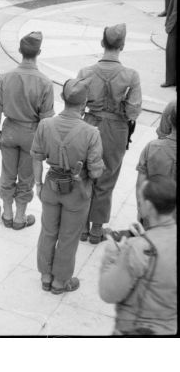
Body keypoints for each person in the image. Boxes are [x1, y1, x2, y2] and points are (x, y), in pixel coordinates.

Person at [31, 78, 104, 294]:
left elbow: (36, 157)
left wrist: (38, 184)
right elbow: (96, 171)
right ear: (84, 104)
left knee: (48, 231)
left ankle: (45, 276)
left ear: (62, 98)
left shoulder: (45, 125)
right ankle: (60, 282)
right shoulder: (91, 133)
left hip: (51, 185)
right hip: (77, 191)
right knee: (69, 236)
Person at [77, 23, 142, 243]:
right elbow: (134, 111)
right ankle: (96, 230)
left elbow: (76, 105)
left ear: (102, 43)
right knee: (107, 178)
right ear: (122, 45)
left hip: (89, 125)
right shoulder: (131, 75)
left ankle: (82, 228)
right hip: (116, 130)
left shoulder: (86, 72)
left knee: (85, 175)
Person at [99, 177, 177, 335]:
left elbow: (108, 292)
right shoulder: (150, 241)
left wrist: (111, 254)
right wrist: (146, 235)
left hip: (138, 329)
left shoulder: (139, 248)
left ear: (149, 205)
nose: (139, 202)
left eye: (140, 199)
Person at [0, 31, 54, 230]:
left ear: (20, 51)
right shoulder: (45, 82)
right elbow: (46, 119)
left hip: (9, 129)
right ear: (39, 52)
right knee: (26, 176)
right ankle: (20, 217)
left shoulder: (5, 77)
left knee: (7, 173)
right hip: (31, 134)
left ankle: (7, 213)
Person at [136, 101, 176, 222]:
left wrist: (141, 210)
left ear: (169, 119)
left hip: (153, 214)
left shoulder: (152, 147)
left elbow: (140, 184)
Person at [162, 0, 177, 88]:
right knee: (171, 50)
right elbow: (172, 5)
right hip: (175, 21)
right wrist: (168, 21)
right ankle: (170, 79)